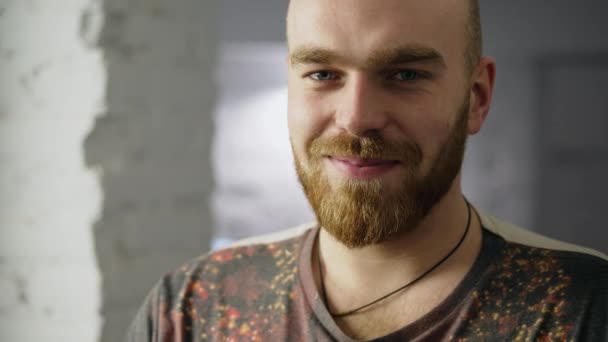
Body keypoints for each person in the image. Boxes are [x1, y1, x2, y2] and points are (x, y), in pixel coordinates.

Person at [126, 0, 608, 340]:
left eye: (405, 75)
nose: (356, 117)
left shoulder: (580, 308)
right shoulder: (193, 307)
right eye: (322, 74)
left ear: (476, 98)